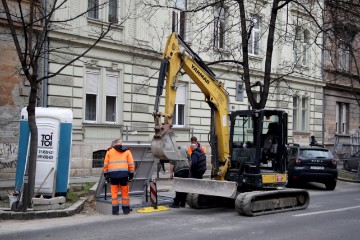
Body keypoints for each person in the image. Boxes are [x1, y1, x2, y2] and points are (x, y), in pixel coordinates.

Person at [103, 139, 135, 215]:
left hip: (113, 175)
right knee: (125, 193)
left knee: (114, 193)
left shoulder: (109, 151)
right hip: (124, 175)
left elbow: (105, 164)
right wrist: (131, 175)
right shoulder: (127, 151)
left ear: (114, 144)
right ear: (121, 143)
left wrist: (106, 175)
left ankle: (115, 211)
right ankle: (126, 210)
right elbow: (131, 164)